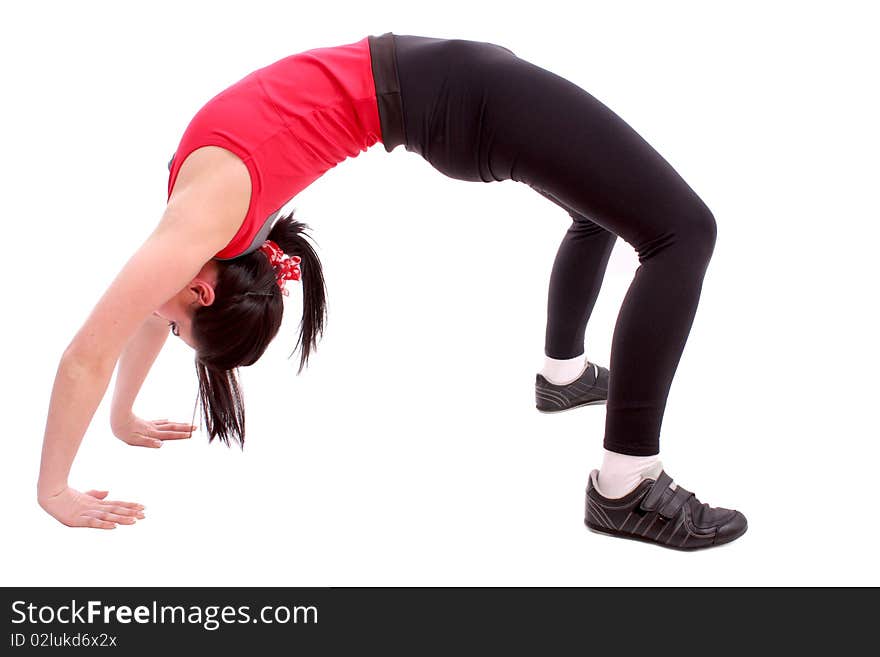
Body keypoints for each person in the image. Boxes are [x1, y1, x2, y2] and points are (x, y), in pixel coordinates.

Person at [37, 32, 746, 549]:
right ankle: (627, 484)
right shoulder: (202, 225)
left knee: (618, 213)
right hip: (468, 102)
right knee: (684, 231)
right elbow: (128, 324)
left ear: (201, 291)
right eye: (174, 329)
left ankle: (562, 375)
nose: (158, 317)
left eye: (172, 328)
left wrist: (84, 455)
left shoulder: (199, 222)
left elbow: (91, 351)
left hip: (465, 97)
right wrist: (94, 447)